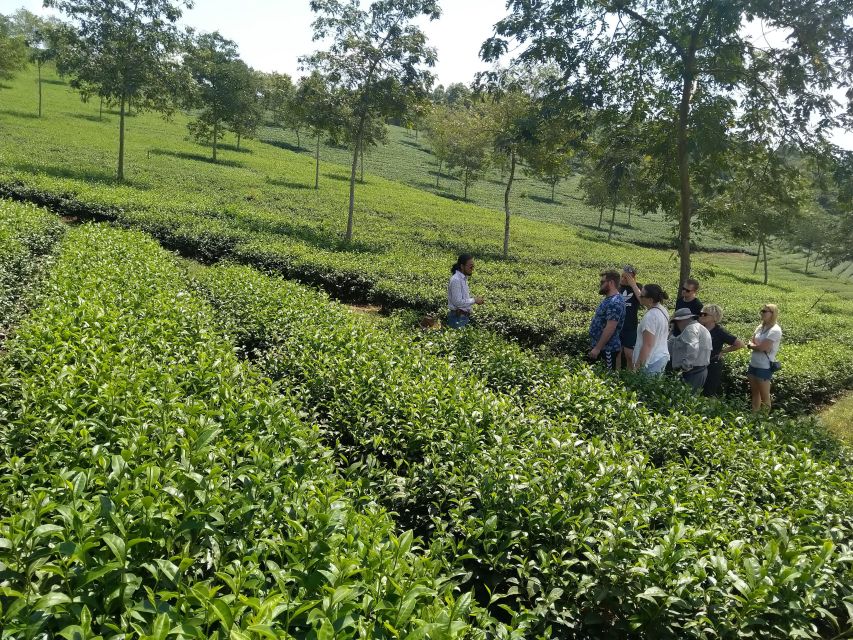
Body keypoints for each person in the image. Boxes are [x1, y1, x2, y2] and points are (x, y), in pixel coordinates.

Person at [698, 304, 745, 397]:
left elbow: (739, 344)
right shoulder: (698, 328)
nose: (701, 316)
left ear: (714, 318)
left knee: (708, 393)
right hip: (698, 363)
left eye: (705, 314)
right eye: (701, 314)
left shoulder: (720, 331)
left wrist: (723, 351)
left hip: (712, 365)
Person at [747, 303, 782, 412]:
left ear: (773, 313)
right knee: (755, 394)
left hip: (764, 367)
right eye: (761, 311)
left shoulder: (775, 330)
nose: (761, 313)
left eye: (764, 311)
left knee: (765, 397)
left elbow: (763, 348)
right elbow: (751, 342)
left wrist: (754, 346)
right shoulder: (760, 327)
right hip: (753, 364)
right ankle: (754, 416)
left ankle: (764, 421)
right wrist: (755, 346)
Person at [668, 308, 713, 393]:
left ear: (684, 320)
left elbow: (693, 347)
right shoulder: (699, 328)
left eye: (677, 322)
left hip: (693, 371)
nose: (677, 324)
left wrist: (685, 367)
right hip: (700, 370)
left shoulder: (690, 329)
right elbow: (675, 342)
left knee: (685, 400)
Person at [588, 270, 625, 370]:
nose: (600, 284)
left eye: (602, 282)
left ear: (611, 283)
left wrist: (597, 348)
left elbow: (610, 327)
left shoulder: (615, 302)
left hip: (607, 349)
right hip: (601, 348)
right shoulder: (609, 299)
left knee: (607, 379)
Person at [632, 284, 670, 375]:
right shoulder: (662, 310)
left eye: (642, 295)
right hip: (661, 356)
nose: (640, 297)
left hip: (651, 361)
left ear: (650, 300)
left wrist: (637, 368)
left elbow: (648, 345)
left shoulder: (650, 317)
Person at [447, 253, 484, 329]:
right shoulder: (456, 280)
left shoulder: (463, 279)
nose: (472, 268)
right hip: (457, 318)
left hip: (462, 317)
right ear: (462, 266)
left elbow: (463, 299)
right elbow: (457, 302)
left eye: (473, 266)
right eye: (470, 266)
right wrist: (474, 300)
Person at [619, 265, 642, 369]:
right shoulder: (617, 287)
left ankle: (630, 376)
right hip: (617, 325)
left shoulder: (638, 287)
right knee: (617, 352)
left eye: (628, 277)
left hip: (630, 326)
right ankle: (616, 375)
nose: (624, 279)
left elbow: (642, 300)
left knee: (629, 354)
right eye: (623, 276)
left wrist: (633, 285)